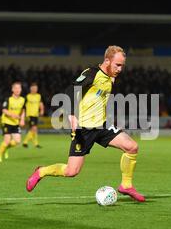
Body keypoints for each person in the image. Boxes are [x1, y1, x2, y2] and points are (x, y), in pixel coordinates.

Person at [26, 45, 145, 202]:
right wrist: (72, 114)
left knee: (132, 147)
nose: (120, 69)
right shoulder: (91, 73)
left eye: (122, 65)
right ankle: (41, 171)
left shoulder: (111, 77)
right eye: (117, 65)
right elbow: (70, 91)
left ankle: (126, 185)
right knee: (71, 171)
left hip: (102, 125)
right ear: (107, 61)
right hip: (84, 129)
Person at [0, 81, 26, 162]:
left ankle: (6, 148)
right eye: (15, 88)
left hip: (15, 123)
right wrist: (13, 115)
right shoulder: (8, 99)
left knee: (17, 141)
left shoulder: (23, 100)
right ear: (12, 89)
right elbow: (4, 110)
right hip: (7, 122)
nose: (17, 90)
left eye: (19, 88)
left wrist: (22, 119)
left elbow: (23, 110)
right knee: (7, 141)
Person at [23, 82, 44, 149]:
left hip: (36, 115)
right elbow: (23, 106)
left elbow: (41, 104)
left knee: (34, 130)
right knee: (34, 128)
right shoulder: (27, 96)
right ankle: (25, 142)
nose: (35, 89)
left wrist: (42, 110)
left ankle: (36, 144)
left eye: (36, 88)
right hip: (30, 115)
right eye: (33, 88)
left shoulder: (38, 96)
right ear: (31, 89)